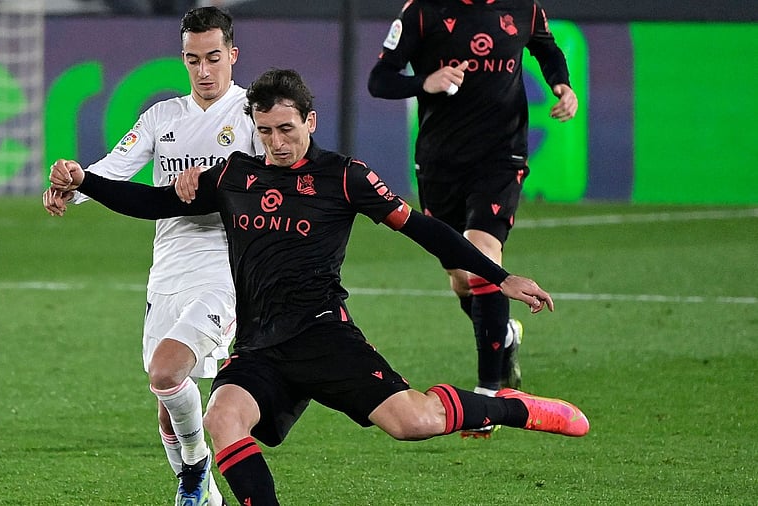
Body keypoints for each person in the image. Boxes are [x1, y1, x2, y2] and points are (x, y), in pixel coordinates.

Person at [48, 68, 589, 505]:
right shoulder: (235, 176)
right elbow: (154, 202)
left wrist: (500, 276)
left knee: (413, 422)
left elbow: (423, 229)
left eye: (287, 129)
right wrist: (86, 182)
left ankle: (511, 407)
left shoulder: (345, 177)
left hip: (323, 336)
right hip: (260, 345)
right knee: (222, 418)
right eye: (265, 131)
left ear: (310, 120)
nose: (276, 142)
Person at [43, 7, 260, 506]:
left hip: (225, 268)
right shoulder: (162, 117)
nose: (203, 70)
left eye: (213, 58)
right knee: (167, 400)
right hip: (168, 270)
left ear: (232, 54)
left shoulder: (252, 114)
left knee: (166, 372)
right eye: (192, 59)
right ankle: (203, 494)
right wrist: (74, 182)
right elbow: (113, 169)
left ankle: (195, 470)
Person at [367, 0, 579, 436]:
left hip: (501, 155)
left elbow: (546, 48)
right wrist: (425, 82)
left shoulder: (524, 8)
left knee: (483, 253)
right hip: (440, 161)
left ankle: (489, 394)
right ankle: (506, 335)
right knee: (462, 278)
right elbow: (379, 80)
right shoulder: (422, 12)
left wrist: (562, 85)